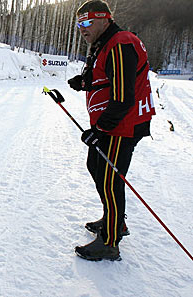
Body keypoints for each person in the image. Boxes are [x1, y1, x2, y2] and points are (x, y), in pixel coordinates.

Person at [67, 0, 155, 261]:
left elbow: (123, 95)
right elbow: (108, 77)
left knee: (109, 177)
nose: (82, 28)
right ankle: (113, 220)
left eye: (87, 22)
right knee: (96, 165)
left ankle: (110, 241)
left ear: (105, 18)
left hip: (122, 125)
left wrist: (101, 129)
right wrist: (85, 82)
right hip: (115, 123)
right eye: (79, 23)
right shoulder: (106, 43)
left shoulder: (119, 43)